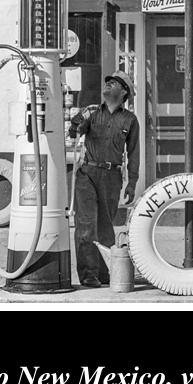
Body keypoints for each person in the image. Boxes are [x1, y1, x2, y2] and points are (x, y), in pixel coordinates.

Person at [69, 70, 140, 287]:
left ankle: (105, 272)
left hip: (112, 177)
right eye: (108, 81)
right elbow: (74, 133)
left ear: (124, 92)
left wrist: (132, 183)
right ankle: (88, 275)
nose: (108, 83)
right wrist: (76, 123)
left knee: (105, 227)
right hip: (87, 174)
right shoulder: (91, 112)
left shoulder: (130, 119)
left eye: (115, 82)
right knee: (86, 225)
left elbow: (134, 153)